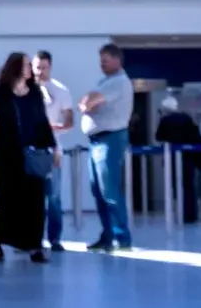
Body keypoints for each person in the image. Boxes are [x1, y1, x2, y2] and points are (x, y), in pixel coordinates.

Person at [0, 52, 57, 264]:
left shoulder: (34, 92)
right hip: (6, 155)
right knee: (7, 200)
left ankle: (34, 246)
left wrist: (53, 146)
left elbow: (42, 121)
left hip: (32, 154)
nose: (29, 69)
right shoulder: (2, 92)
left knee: (34, 200)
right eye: (25, 65)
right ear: (15, 67)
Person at [80, 43, 135, 252]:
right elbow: (85, 101)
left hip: (110, 140)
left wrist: (89, 103)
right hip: (97, 141)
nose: (101, 64)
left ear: (117, 60)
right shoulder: (105, 81)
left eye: (105, 60)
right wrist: (88, 102)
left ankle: (122, 238)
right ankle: (107, 235)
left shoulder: (118, 82)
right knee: (99, 191)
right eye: (100, 61)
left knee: (109, 190)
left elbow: (90, 101)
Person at [34, 51, 74, 252]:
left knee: (54, 197)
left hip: (52, 150)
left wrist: (54, 128)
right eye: (37, 67)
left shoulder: (61, 90)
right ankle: (31, 238)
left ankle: (55, 238)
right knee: (31, 196)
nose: (40, 71)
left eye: (44, 67)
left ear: (50, 66)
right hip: (31, 151)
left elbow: (69, 122)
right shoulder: (25, 90)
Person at [154, 96, 201, 224]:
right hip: (189, 156)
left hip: (172, 157)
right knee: (189, 186)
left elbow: (159, 136)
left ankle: (181, 212)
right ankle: (192, 214)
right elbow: (195, 134)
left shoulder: (165, 120)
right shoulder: (186, 118)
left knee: (177, 186)